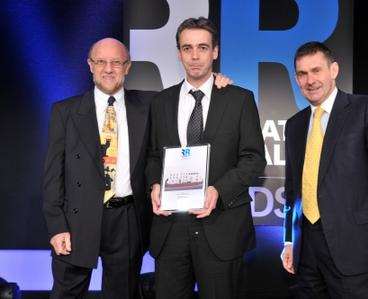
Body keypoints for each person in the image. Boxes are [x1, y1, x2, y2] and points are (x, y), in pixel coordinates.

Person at [42, 37, 231, 298]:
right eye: (101, 62)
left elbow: (192, 92)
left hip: (127, 219)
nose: (109, 69)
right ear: (90, 65)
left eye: (117, 62)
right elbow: (53, 175)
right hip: (76, 221)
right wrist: (57, 226)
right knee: (66, 294)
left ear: (128, 67)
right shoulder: (65, 111)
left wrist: (218, 81)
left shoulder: (151, 104)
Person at [146, 17, 266, 298]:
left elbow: (253, 158)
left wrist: (218, 190)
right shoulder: (161, 102)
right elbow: (153, 156)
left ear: (215, 51)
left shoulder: (239, 99)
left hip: (221, 228)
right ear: (179, 53)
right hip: (171, 229)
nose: (195, 55)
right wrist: (154, 184)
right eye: (187, 48)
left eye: (202, 47)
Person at [281, 41, 368, 299]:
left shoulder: (367, 109)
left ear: (334, 70)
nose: (310, 80)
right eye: (303, 74)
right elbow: (293, 189)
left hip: (355, 249)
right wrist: (288, 240)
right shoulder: (294, 125)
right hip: (306, 252)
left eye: (316, 70)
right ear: (296, 78)